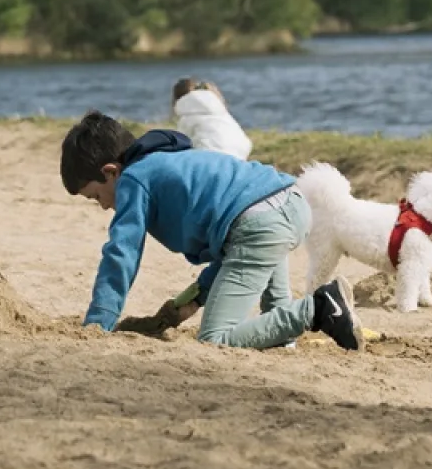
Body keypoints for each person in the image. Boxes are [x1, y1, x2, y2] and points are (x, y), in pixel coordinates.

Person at [61, 111, 359, 350]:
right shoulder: (167, 159)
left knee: (214, 338)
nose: (102, 207)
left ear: (111, 172)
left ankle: (321, 308)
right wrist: (192, 299)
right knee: (274, 313)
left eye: (96, 196)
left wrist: (99, 323)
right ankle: (285, 340)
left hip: (258, 222)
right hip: (286, 201)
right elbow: (231, 246)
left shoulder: (134, 179)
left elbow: (122, 253)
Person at [170, 78, 253, 160]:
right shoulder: (219, 110)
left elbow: (181, 144)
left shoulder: (187, 114)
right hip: (240, 152)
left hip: (210, 154)